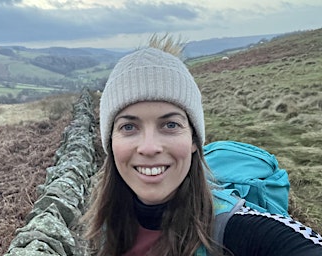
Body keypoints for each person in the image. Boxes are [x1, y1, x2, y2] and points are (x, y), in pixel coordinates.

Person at [82, 38, 322, 255]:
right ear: (110, 142)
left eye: (170, 125)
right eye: (128, 127)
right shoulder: (107, 223)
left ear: (195, 140)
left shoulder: (237, 229)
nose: (149, 147)